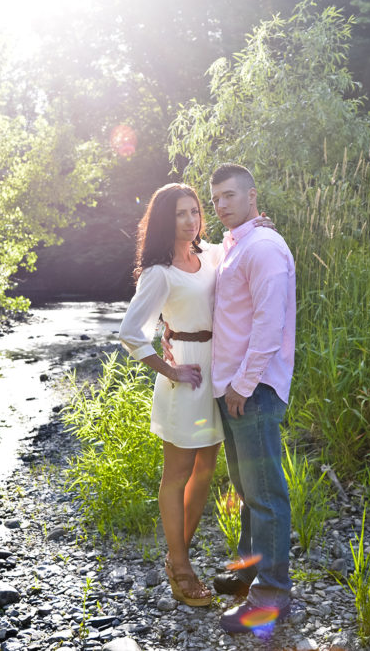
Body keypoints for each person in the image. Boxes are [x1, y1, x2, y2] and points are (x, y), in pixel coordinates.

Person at [118, 183, 225, 607]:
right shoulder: (159, 272)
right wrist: (171, 368)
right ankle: (181, 566)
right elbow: (129, 332)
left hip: (217, 370)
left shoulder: (210, 254)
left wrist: (261, 225)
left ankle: (175, 554)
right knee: (177, 472)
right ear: (166, 220)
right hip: (187, 377)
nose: (190, 219)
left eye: (194, 211)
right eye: (180, 213)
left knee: (206, 469)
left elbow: (237, 240)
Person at [205, 163, 297, 633]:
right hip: (233, 387)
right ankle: (248, 571)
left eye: (229, 196)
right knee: (245, 489)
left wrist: (243, 384)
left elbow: (270, 322)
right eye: (215, 197)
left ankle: (270, 597)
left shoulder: (263, 246)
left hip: (252, 389)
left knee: (264, 494)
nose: (220, 205)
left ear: (252, 196)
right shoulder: (239, 243)